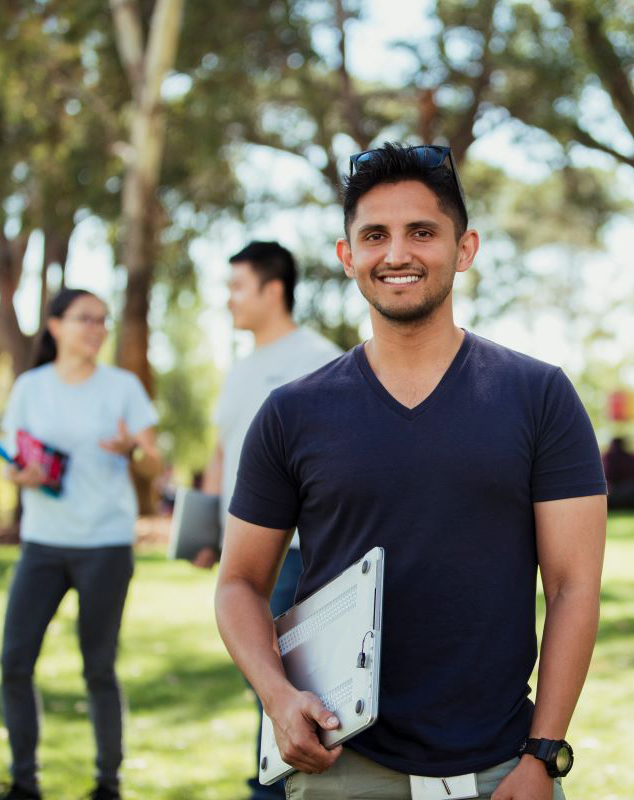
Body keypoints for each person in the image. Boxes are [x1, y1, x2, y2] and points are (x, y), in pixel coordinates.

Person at [214, 143, 608, 800]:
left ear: (465, 248)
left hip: (504, 771)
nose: (397, 253)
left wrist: (543, 754)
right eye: (375, 235)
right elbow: (239, 584)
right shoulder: (291, 413)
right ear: (347, 257)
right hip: (343, 770)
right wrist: (279, 699)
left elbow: (573, 587)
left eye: (421, 232)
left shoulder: (540, 397)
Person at [0, 288, 161, 800]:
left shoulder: (123, 387)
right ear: (55, 326)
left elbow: (155, 463)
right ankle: (25, 781)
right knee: (14, 662)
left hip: (106, 545)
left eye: (102, 320)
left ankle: (107, 784)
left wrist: (133, 448)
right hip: (42, 545)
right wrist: (20, 476)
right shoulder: (30, 387)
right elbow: (10, 461)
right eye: (84, 318)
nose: (96, 328)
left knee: (98, 667)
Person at [193, 240, 340, 800]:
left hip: (299, 554)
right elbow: (221, 452)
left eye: (237, 286)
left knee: (286, 684)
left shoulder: (318, 358)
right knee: (262, 680)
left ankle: (271, 787)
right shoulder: (240, 368)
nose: (228, 300)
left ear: (272, 289)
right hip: (246, 554)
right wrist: (209, 529)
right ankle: (270, 781)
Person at [602, 436, 634, 510]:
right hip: (631, 494)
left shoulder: (608, 457)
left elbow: (608, 476)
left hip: (615, 495)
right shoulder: (630, 458)